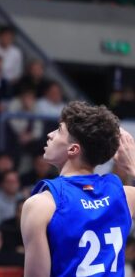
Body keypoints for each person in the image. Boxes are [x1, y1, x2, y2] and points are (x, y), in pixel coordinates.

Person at [21, 102, 135, 276]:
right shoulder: (125, 196)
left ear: (73, 149)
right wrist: (133, 166)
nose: (50, 135)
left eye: (59, 130)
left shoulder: (41, 205)